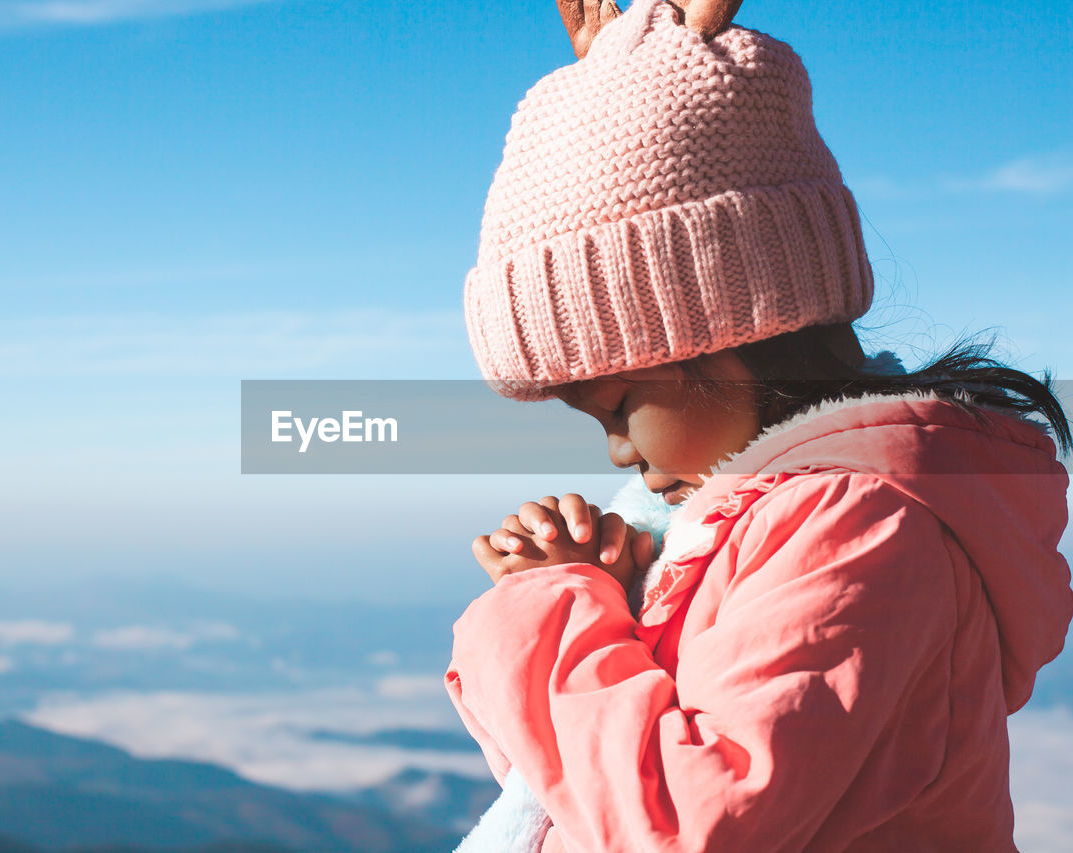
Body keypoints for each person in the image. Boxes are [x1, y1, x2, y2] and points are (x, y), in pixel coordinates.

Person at [443, 1, 1073, 851]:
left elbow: (691, 824)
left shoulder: (863, 527)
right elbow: (571, 791)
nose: (620, 454)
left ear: (721, 332)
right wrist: (601, 603)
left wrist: (550, 614)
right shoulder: (766, 522)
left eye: (620, 408)